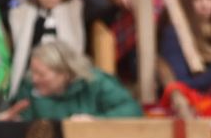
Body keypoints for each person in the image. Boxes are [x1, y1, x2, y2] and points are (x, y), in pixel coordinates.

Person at [13, 38, 141, 120]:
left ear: (65, 72)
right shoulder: (28, 87)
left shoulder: (95, 81)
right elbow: (23, 124)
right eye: (33, 72)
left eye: (41, 74)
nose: (34, 79)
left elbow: (132, 110)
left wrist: (95, 121)